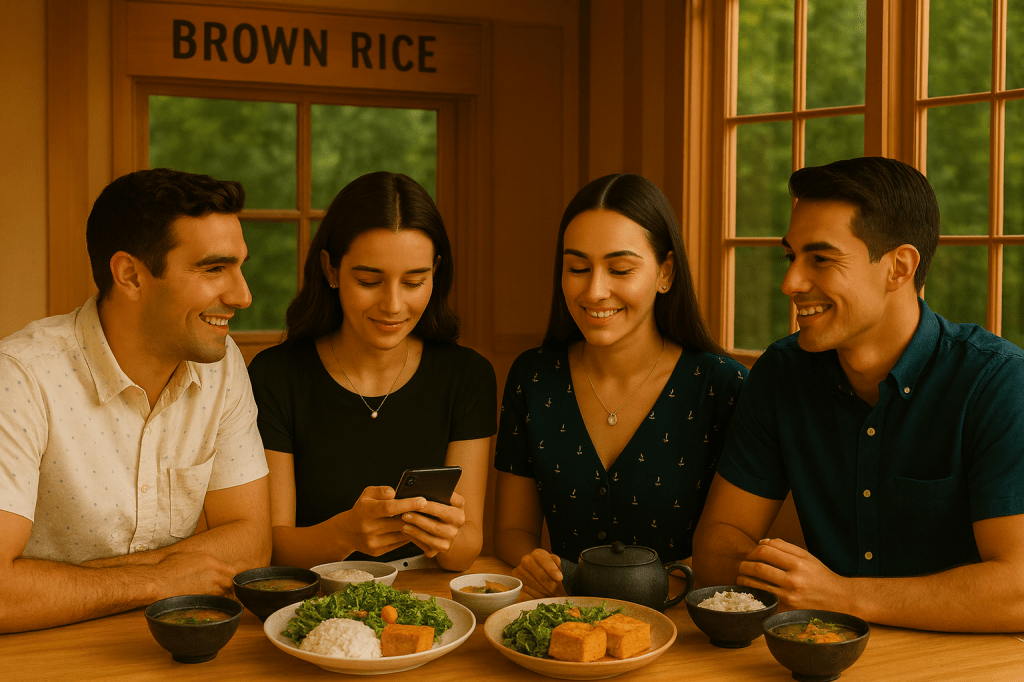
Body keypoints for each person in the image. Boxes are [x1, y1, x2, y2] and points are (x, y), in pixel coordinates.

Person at [693, 156, 1024, 632]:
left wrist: (843, 595)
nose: (790, 283)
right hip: (817, 649)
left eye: (821, 259)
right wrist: (792, 584)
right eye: (792, 256)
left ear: (899, 267)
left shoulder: (997, 384)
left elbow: (1017, 588)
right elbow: (717, 545)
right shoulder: (781, 373)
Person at [0, 168, 271, 634]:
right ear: (129, 275)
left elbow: (251, 544)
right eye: (213, 269)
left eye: (239, 266)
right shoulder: (20, 377)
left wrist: (57, 583)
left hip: (178, 644)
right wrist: (159, 580)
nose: (242, 295)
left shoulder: (221, 366)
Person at [493, 173, 747, 599]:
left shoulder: (722, 386)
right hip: (568, 617)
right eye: (577, 268)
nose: (594, 291)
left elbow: (734, 543)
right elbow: (512, 530)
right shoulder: (533, 377)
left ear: (665, 272)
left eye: (621, 269)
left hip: (683, 623)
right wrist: (533, 561)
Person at [247, 171, 496, 572]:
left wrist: (446, 535)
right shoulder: (277, 376)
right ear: (330, 270)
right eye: (369, 281)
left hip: (426, 592)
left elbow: (466, 548)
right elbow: (272, 548)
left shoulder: (467, 376)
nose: (393, 305)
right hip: (314, 594)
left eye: (415, 281)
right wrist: (345, 534)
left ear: (435, 272)